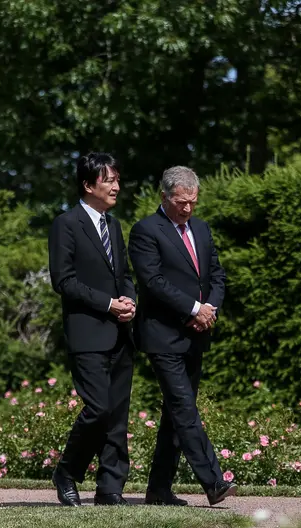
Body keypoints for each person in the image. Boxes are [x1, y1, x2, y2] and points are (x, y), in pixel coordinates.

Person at [128, 166, 236, 507]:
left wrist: (210, 308)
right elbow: (153, 282)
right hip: (163, 335)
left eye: (192, 202)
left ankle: (158, 490)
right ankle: (214, 482)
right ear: (164, 197)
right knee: (183, 407)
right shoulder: (146, 231)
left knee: (176, 414)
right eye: (180, 202)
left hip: (196, 334)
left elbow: (216, 273)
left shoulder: (201, 229)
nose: (187, 209)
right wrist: (193, 308)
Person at [48, 152, 136, 506]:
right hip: (87, 332)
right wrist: (107, 303)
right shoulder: (65, 224)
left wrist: (129, 300)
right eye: (109, 180)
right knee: (98, 409)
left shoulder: (113, 225)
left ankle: (110, 487)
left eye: (117, 179)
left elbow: (124, 275)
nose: (116, 186)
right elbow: (64, 281)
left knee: (117, 414)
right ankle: (67, 472)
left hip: (120, 332)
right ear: (88, 185)